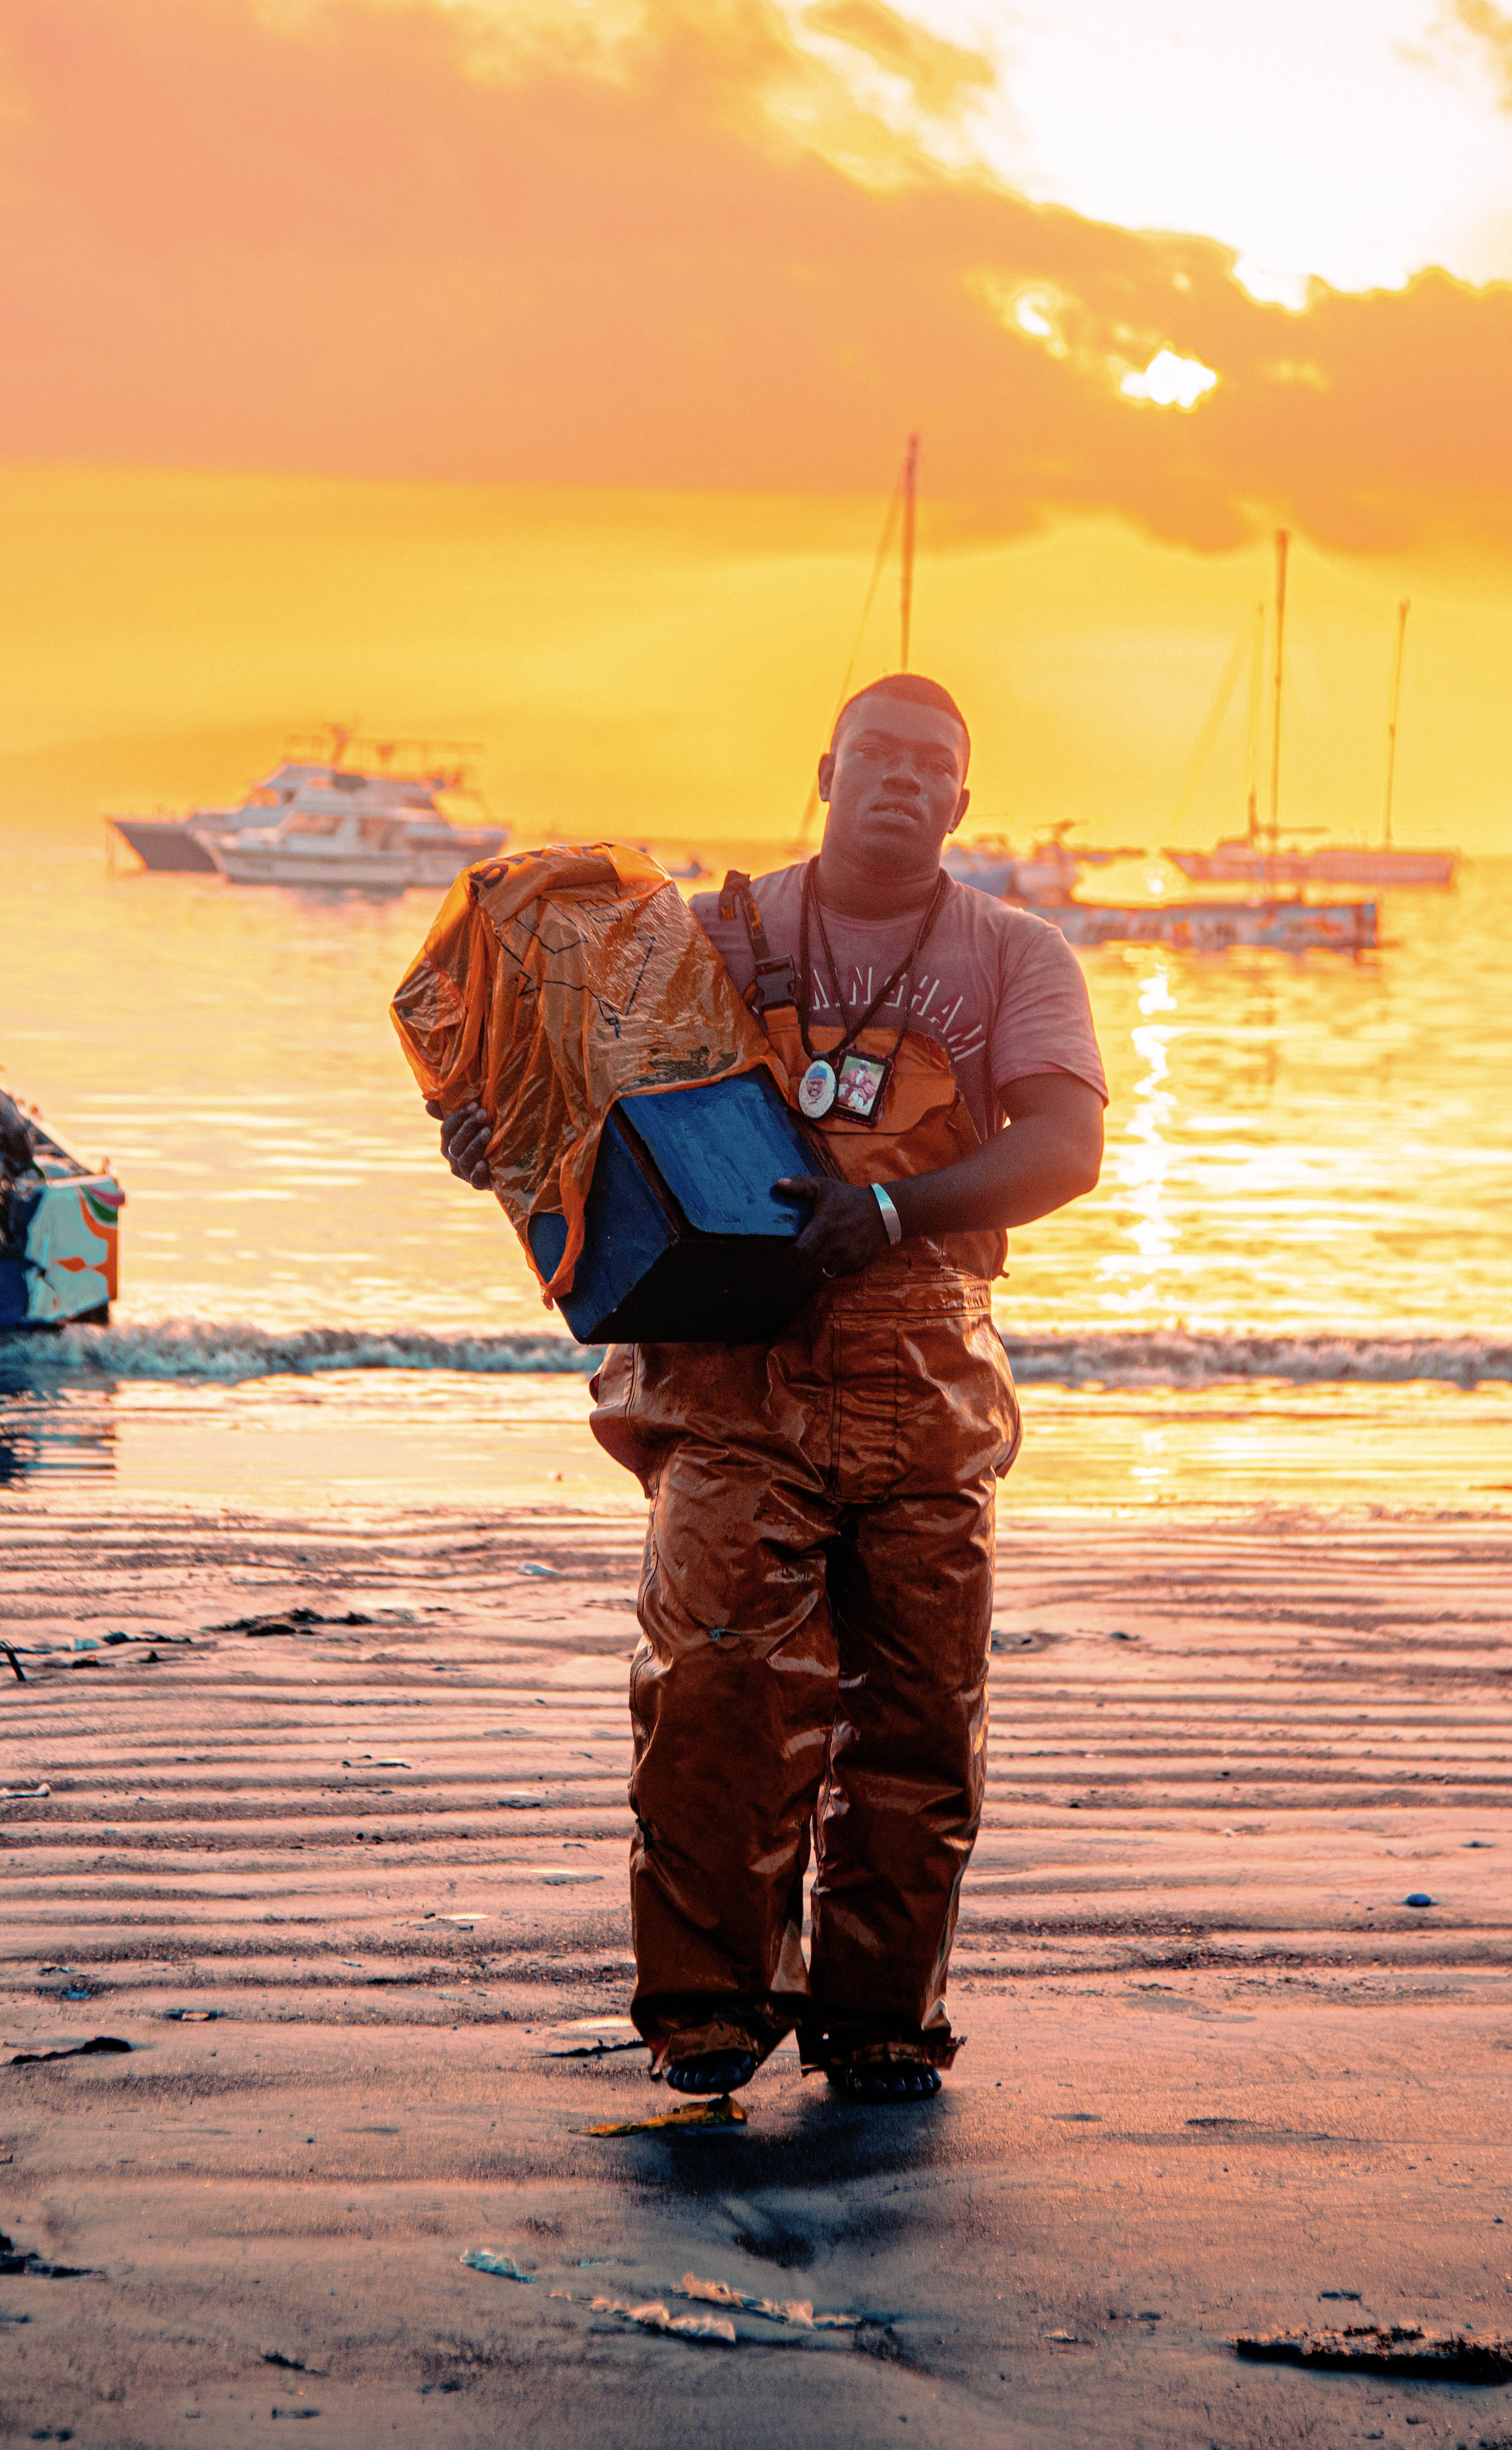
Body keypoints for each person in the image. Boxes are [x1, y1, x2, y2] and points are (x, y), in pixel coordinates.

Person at [436, 672, 1106, 2103]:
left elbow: (1061, 1151)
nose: (904, 782)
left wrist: (890, 1216)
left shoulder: (1015, 954)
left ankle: (881, 2020)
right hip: (731, 1370)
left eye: (935, 766)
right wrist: (497, 1129)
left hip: (926, 1365)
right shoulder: (712, 938)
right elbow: (589, 1104)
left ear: (963, 799)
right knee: (715, 1693)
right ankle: (708, 2011)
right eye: (879, 756)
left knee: (920, 1713)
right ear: (825, 768)